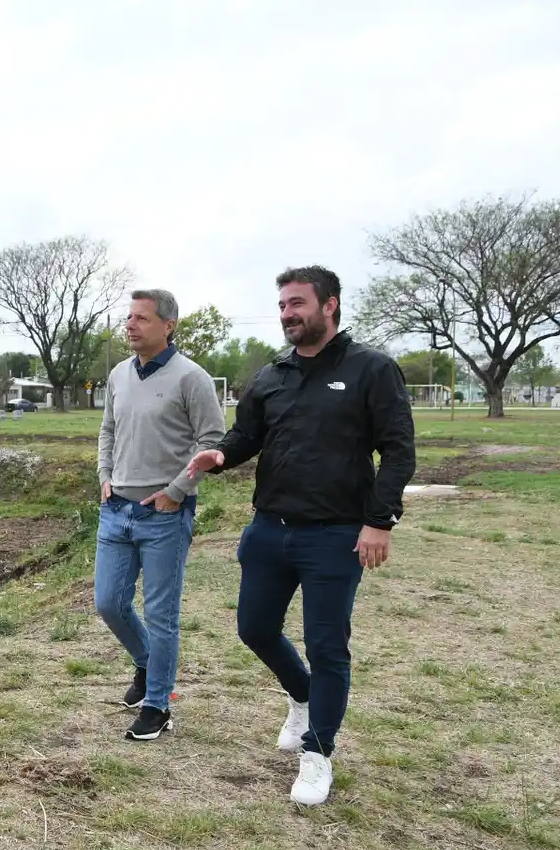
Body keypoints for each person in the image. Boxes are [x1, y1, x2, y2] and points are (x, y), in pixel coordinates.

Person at [186, 266, 415, 805]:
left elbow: (398, 451)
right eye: (283, 305)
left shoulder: (372, 369)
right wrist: (221, 455)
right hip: (269, 530)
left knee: (328, 646)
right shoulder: (273, 375)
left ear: (329, 306)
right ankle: (303, 696)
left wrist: (379, 521)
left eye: (298, 304)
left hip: (335, 536)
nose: (288, 314)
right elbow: (247, 436)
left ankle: (318, 753)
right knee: (255, 629)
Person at [95, 289, 226, 741]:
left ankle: (157, 705)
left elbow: (212, 441)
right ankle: (148, 663)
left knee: (161, 615)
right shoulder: (117, 374)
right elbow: (108, 429)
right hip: (116, 509)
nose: (130, 325)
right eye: (129, 317)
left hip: (163, 516)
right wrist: (104, 474)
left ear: (168, 325)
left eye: (142, 318)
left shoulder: (192, 378)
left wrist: (177, 491)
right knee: (108, 603)